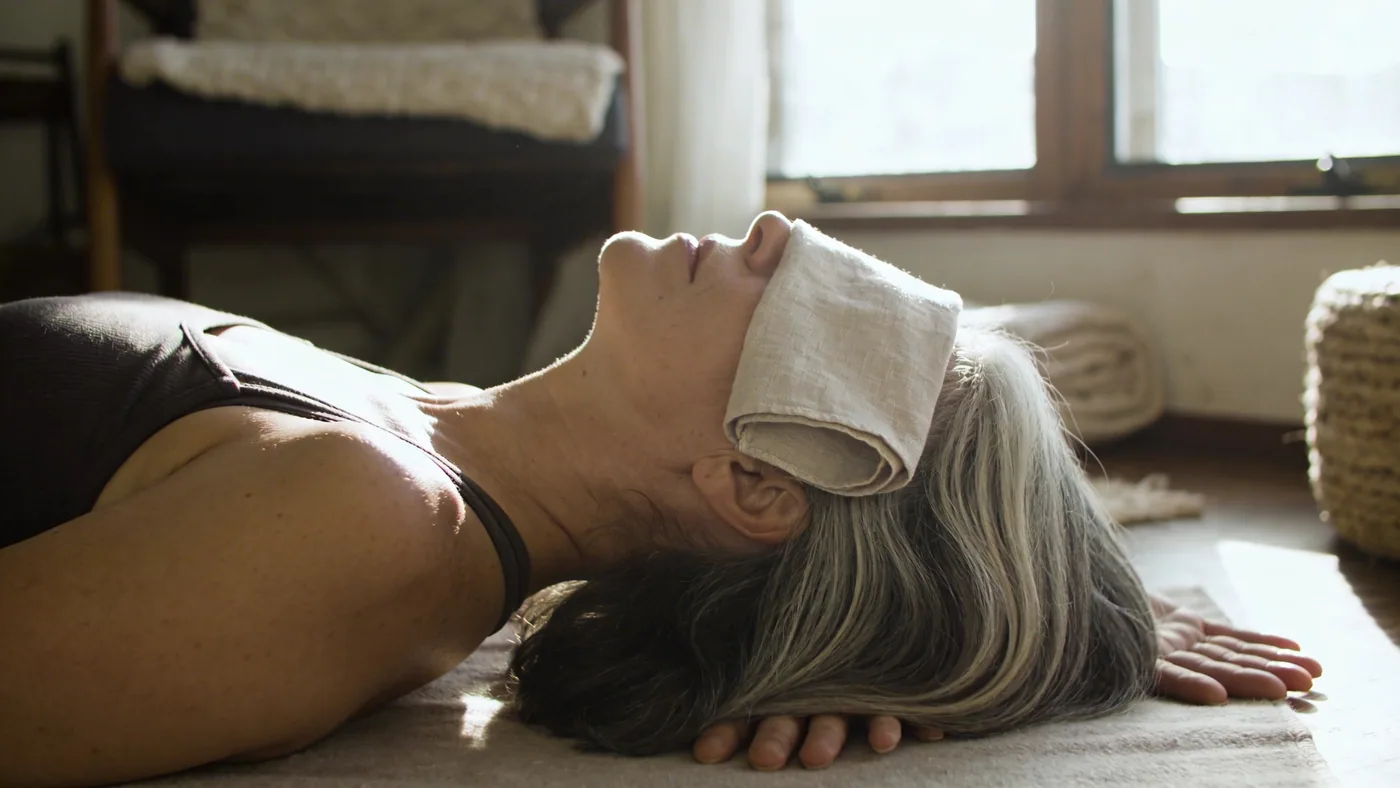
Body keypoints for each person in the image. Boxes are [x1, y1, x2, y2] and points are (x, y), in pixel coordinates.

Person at [0, 212, 1321, 787]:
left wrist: (914, 626)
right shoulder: (448, 429)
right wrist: (1003, 607)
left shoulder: (379, 526)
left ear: (751, 483)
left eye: (823, 312)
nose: (778, 237)